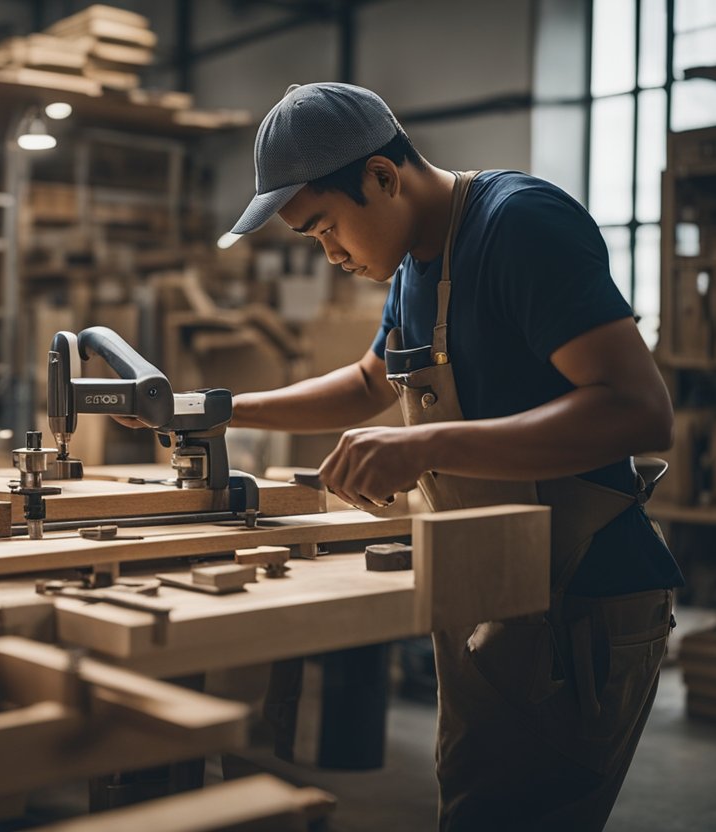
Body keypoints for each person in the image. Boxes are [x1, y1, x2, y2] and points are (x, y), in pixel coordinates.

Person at [227, 82, 683, 831]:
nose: (331, 253)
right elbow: (372, 382)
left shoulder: (518, 226)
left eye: (326, 227)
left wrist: (426, 443)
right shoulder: (413, 261)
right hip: (498, 593)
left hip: (582, 603)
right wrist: (220, 409)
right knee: (472, 806)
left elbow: (638, 408)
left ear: (381, 176)